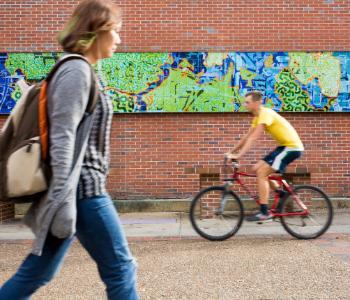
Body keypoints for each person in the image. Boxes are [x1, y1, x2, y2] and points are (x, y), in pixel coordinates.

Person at [0, 1, 139, 299]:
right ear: (96, 31)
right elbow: (62, 140)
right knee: (121, 268)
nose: (118, 39)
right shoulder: (75, 70)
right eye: (114, 31)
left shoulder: (80, 69)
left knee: (38, 271)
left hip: (76, 191)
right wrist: (63, 202)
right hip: (83, 191)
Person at [226, 91, 304, 222]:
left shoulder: (265, 114)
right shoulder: (257, 117)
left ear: (257, 103)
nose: (245, 105)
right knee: (257, 168)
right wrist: (231, 152)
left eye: (247, 102)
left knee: (262, 172)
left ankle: (264, 212)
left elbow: (254, 138)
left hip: (292, 147)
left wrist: (238, 155)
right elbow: (246, 137)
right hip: (284, 146)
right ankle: (281, 193)